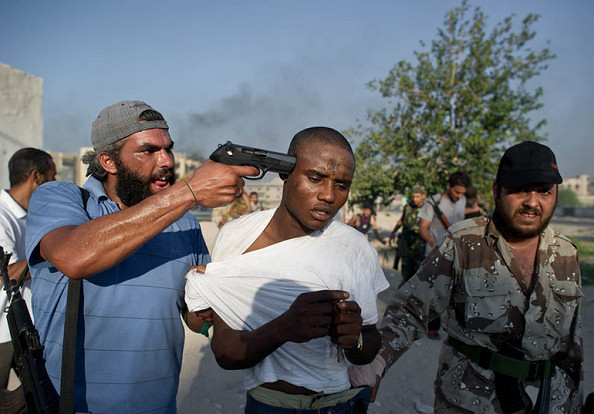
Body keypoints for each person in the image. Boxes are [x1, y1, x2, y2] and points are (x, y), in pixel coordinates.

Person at [25, 101, 258, 413]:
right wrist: (189, 191)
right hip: (71, 406)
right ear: (108, 160)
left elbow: (193, 317)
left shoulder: (184, 221)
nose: (166, 161)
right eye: (148, 151)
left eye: (168, 149)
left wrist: (214, 304)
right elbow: (74, 256)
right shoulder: (60, 198)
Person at [185, 127, 389, 413]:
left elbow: (369, 342)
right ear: (285, 172)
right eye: (315, 178)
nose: (329, 196)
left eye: (342, 185)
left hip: (339, 403)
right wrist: (284, 328)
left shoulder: (353, 247)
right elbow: (226, 352)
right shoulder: (237, 236)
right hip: (269, 405)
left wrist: (353, 338)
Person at [368, 141, 583, 413]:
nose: (532, 202)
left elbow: (572, 344)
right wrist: (378, 361)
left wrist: (577, 400)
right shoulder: (462, 242)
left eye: (544, 192)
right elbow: (410, 309)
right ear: (496, 191)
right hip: (472, 401)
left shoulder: (566, 253)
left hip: (550, 402)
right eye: (519, 190)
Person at [0, 148, 55, 389]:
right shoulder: (2, 216)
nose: (54, 184)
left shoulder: (30, 214)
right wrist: (58, 255)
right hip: (2, 334)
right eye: (52, 177)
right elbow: (8, 274)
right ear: (37, 177)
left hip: (24, 329)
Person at [418, 171, 471, 337]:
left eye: (462, 193)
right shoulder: (433, 202)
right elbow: (423, 229)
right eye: (456, 192)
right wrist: (439, 246)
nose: (459, 196)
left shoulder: (462, 200)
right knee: (435, 293)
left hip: (459, 254)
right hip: (436, 253)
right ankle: (431, 326)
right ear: (448, 186)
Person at [388, 186, 426, 286]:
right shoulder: (408, 207)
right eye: (413, 197)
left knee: (420, 273)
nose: (415, 199)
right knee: (406, 272)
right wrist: (393, 232)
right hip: (406, 244)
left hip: (420, 246)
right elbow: (401, 221)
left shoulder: (427, 208)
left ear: (423, 196)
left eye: (417, 196)